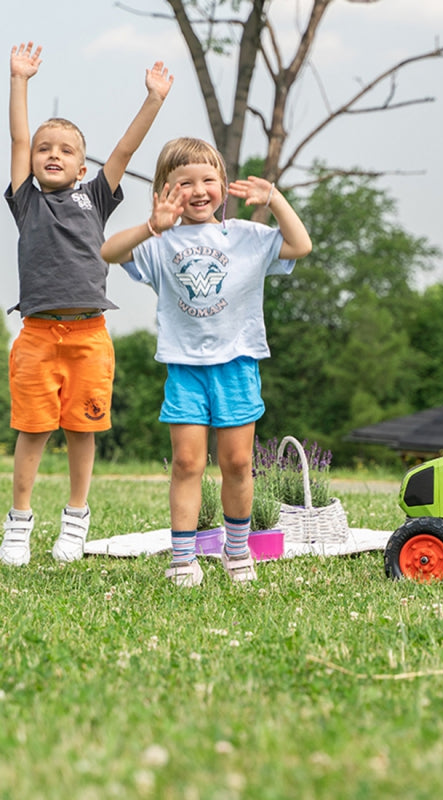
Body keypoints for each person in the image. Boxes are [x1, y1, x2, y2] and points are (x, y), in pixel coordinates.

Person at [100, 137, 312, 586]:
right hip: (184, 370)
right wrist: (150, 226)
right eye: (184, 183)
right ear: (164, 191)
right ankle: (183, 558)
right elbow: (109, 252)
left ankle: (237, 552)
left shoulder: (246, 237)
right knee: (187, 464)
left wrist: (274, 200)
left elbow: (300, 245)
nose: (198, 191)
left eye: (207, 180)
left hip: (237, 365)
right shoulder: (160, 243)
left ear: (223, 184)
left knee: (237, 463)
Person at [0, 42, 174, 567]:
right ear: (31, 162)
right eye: (44, 148)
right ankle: (19, 523)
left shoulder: (93, 197)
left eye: (66, 149)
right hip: (36, 334)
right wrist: (20, 80)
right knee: (32, 431)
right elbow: (18, 135)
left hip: (88, 335)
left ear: (80, 167)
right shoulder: (25, 199)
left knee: (83, 429)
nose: (52, 153)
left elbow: (122, 151)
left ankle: (75, 519)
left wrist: (154, 100)